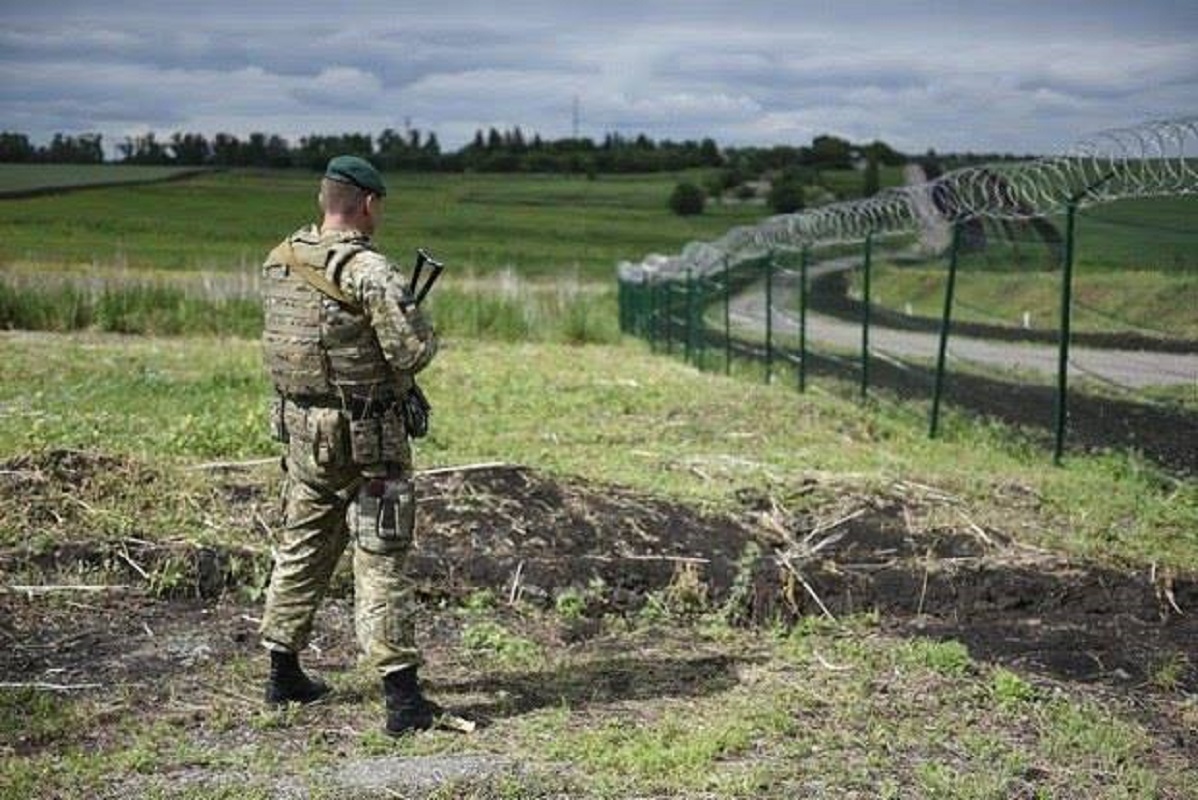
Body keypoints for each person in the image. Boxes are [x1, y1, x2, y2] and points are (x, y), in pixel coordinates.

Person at [257, 155, 441, 736]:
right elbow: (411, 352)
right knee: (381, 555)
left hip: (303, 434)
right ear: (367, 203)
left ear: (322, 199)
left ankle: (282, 671)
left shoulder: (280, 259)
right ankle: (403, 700)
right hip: (368, 439)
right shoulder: (369, 271)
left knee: (303, 545)